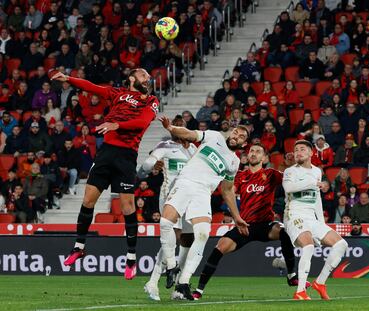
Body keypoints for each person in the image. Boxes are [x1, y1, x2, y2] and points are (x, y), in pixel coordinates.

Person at [52, 68, 159, 280]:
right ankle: (79, 247)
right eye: (143, 75)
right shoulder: (117, 93)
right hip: (106, 154)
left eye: (148, 76)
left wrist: (116, 124)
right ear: (131, 78)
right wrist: (69, 79)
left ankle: (130, 258)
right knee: (88, 200)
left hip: (126, 156)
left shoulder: (151, 101)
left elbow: (142, 122)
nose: (148, 78)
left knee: (128, 207)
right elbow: (92, 87)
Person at [193, 144, 304, 300]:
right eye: (251, 151)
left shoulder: (271, 174)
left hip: (266, 225)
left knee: (284, 231)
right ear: (247, 155)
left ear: (264, 158)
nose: (254, 153)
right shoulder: (240, 176)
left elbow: (292, 179)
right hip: (245, 225)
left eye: (258, 151)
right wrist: (237, 218)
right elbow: (228, 193)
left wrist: (292, 164)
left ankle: (292, 275)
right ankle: (199, 290)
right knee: (219, 247)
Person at [158, 116, 249, 300]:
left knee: (202, 234)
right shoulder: (214, 136)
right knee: (166, 222)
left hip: (203, 193)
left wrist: (237, 216)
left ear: (243, 144)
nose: (236, 136)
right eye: (235, 132)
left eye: (240, 136)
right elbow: (190, 134)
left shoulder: (234, 163)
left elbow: (228, 190)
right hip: (185, 182)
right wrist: (172, 128)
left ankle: (183, 282)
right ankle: (170, 266)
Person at [283, 140, 348, 300]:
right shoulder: (290, 171)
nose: (298, 152)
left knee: (341, 244)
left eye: (302, 149)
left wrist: (322, 223)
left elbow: (317, 197)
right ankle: (300, 291)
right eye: (296, 149)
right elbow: (289, 189)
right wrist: (312, 183)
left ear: (311, 153)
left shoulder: (317, 172)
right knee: (309, 245)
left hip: (311, 217)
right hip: (294, 215)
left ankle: (320, 282)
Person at [142, 117, 198, 301]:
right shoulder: (165, 145)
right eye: (177, 128)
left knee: (187, 240)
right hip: (169, 197)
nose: (180, 131)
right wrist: (152, 164)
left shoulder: (194, 149)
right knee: (172, 237)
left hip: (189, 198)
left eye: (182, 128)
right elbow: (147, 164)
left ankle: (178, 286)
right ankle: (153, 282)